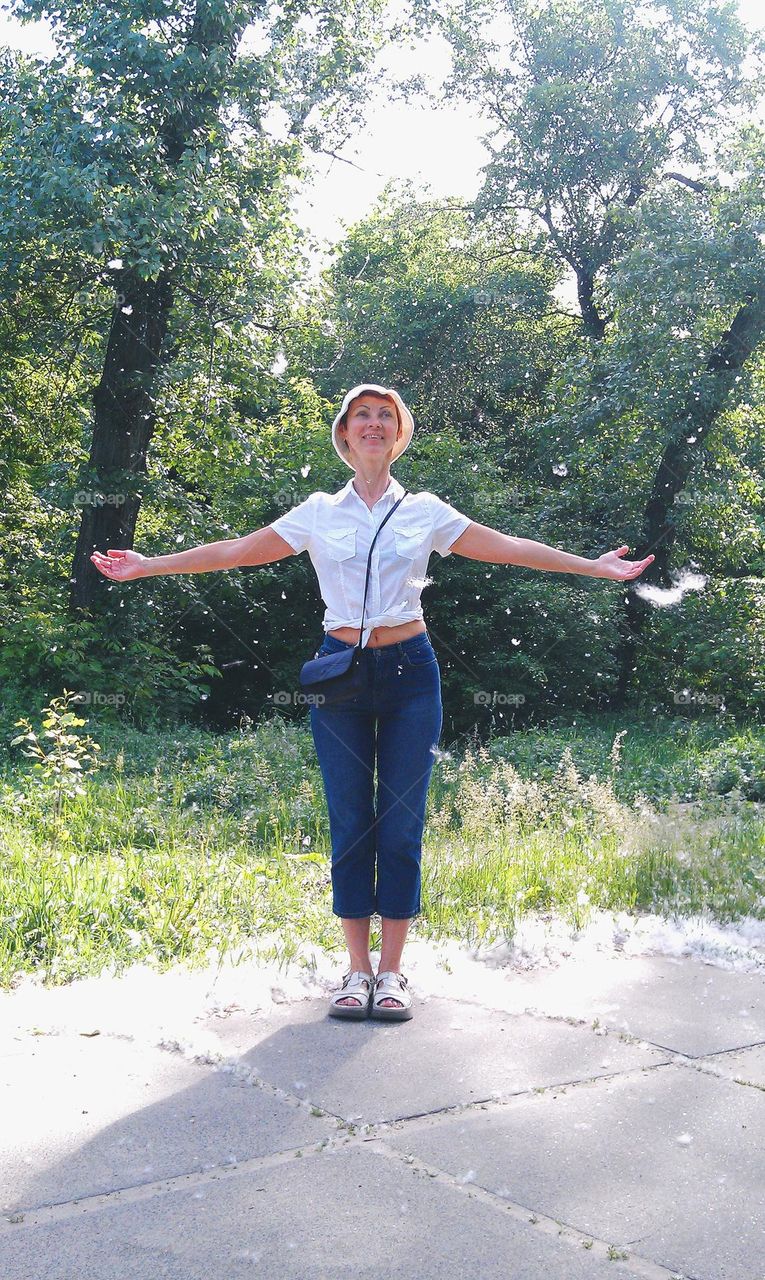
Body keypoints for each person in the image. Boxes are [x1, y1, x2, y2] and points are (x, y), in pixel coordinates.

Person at [90, 382, 654, 1023]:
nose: (374, 423)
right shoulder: (317, 513)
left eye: (386, 415)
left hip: (412, 672)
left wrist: (593, 566)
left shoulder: (425, 511)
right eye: (363, 415)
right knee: (351, 818)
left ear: (399, 433)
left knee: (403, 821)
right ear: (344, 432)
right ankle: (356, 970)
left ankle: (392, 972)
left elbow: (511, 548)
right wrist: (149, 564)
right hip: (341, 676)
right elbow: (238, 552)